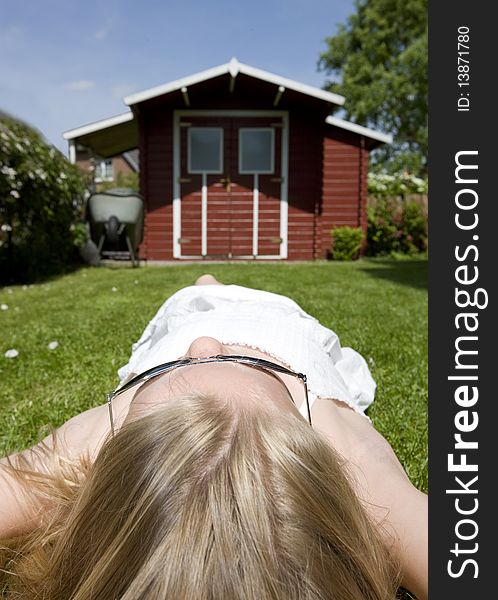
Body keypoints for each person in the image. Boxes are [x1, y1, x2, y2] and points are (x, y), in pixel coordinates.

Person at [0, 274, 427, 600]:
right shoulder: (352, 462)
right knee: (212, 288)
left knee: (199, 290)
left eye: (176, 371)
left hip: (182, 319)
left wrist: (51, 470)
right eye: (243, 363)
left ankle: (205, 289)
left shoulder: (94, 445)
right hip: (285, 323)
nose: (205, 345)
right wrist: (391, 511)